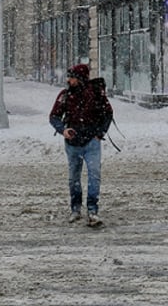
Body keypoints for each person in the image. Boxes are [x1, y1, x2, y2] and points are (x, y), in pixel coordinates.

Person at [48, 63, 113, 227]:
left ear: (80, 78)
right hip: (73, 143)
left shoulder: (95, 93)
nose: (68, 80)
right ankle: (75, 208)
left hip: (92, 141)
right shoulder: (65, 95)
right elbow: (54, 116)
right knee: (74, 178)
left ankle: (92, 210)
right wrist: (63, 130)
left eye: (72, 77)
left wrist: (100, 133)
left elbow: (108, 113)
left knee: (94, 175)